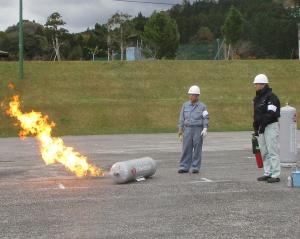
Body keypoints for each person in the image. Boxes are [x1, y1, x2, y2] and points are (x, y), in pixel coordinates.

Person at [253, 74, 281, 183]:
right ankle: (267, 173)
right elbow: (256, 114)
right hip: (261, 128)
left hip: (270, 127)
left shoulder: (272, 97)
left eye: (256, 84)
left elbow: (271, 113)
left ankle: (275, 174)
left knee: (272, 150)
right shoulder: (257, 98)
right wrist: (256, 127)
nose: (255, 86)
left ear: (263, 84)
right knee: (264, 151)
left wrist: (263, 126)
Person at [178, 85, 209, 174]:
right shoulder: (185, 105)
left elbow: (206, 117)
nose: (191, 96)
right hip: (187, 129)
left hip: (198, 130)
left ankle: (195, 167)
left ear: (197, 96)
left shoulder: (203, 106)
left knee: (197, 149)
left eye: (193, 95)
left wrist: (205, 128)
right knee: (186, 148)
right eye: (190, 95)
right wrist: (180, 131)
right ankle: (184, 166)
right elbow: (181, 118)